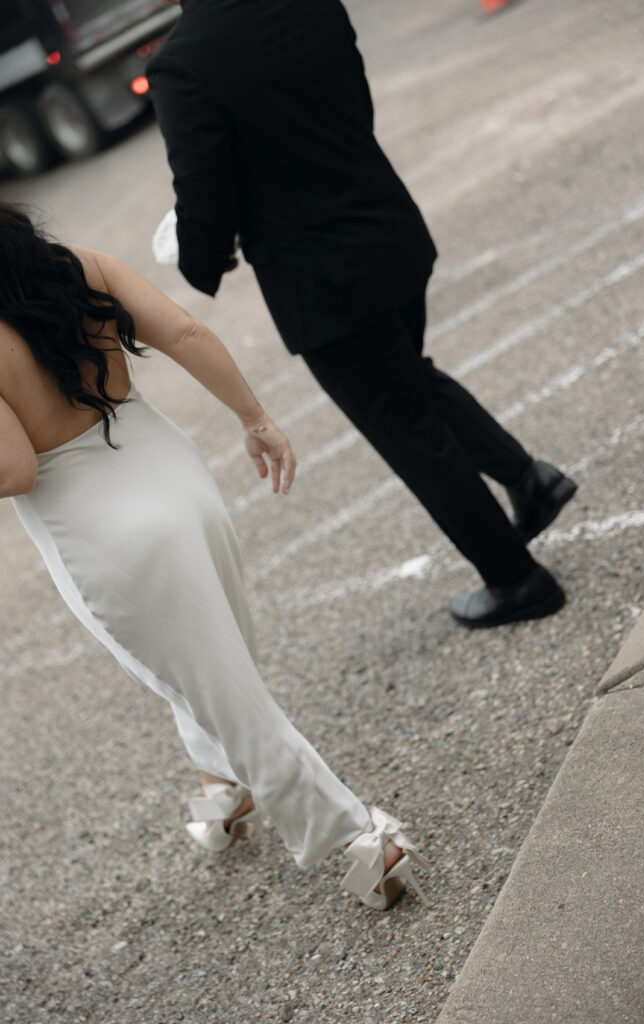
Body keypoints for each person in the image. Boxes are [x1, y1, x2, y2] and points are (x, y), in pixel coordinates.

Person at [0, 204, 428, 911]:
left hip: (103, 532)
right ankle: (220, 789)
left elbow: (15, 471)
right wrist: (254, 417)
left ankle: (360, 841)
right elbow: (183, 329)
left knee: (224, 691)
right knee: (210, 664)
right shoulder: (74, 264)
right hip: (176, 478)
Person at [147, 0, 577, 630]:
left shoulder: (182, 62)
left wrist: (206, 254)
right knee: (411, 379)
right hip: (387, 228)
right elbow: (353, 101)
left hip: (324, 281)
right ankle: (527, 478)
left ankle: (516, 579)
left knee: (407, 427)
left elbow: (204, 195)